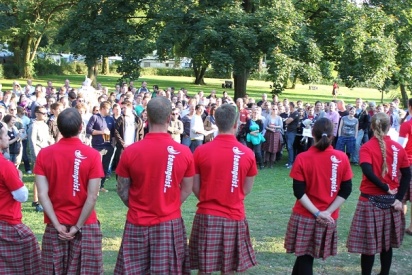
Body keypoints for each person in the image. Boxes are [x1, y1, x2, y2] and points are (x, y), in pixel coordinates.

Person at [115, 96, 194, 274]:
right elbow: (188, 188)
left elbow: (122, 190)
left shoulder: (130, 152)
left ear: (146, 118)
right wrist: (170, 203)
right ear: (169, 119)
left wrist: (138, 205)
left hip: (137, 222)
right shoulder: (184, 152)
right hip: (169, 222)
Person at [189, 103, 257, 274]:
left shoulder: (201, 151)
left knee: (205, 268)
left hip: (207, 214)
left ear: (216, 123)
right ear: (236, 124)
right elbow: (247, 189)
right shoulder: (248, 153)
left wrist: (208, 197)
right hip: (234, 214)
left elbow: (195, 186)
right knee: (230, 268)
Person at [34, 108, 105, 274]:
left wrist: (58, 225)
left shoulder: (44, 154)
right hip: (85, 225)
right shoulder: (93, 155)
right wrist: (77, 226)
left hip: (55, 225)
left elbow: (42, 194)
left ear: (59, 128)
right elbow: (92, 196)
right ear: (81, 127)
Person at [285, 118, 353, 275]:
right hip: (328, 216)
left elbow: (298, 191)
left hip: (306, 215)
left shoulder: (303, 157)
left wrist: (318, 213)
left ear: (312, 134)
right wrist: (327, 212)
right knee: (305, 258)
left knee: (305, 258)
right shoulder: (341, 157)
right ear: (332, 136)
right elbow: (346, 189)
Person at [347, 112, 411, 275]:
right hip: (390, 202)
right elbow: (407, 174)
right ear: (389, 127)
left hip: (369, 201)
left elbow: (367, 171)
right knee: (386, 244)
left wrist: (387, 189)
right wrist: (398, 198)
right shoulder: (397, 148)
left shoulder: (367, 147)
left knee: (369, 247)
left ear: (372, 127)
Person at [0, 121, 41, 274]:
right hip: (7, 223)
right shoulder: (5, 165)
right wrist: (19, 177)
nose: (7, 137)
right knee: (30, 252)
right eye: (4, 134)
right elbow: (22, 196)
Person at [86, 101, 115, 192]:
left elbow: (113, 133)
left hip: (108, 146)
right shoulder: (95, 117)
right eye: (108, 109)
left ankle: (101, 185)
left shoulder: (110, 119)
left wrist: (113, 144)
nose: (109, 111)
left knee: (105, 167)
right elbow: (89, 130)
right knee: (96, 167)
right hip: (97, 146)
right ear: (102, 108)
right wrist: (101, 132)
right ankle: (93, 185)